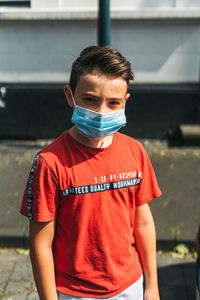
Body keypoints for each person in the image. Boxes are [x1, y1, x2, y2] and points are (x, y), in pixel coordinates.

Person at [20, 45, 162, 300]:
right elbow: (40, 244)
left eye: (113, 103)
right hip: (73, 293)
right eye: (90, 100)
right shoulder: (50, 163)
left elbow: (143, 223)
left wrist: (151, 286)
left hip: (130, 286)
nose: (101, 112)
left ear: (125, 101)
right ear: (69, 96)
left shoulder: (135, 152)